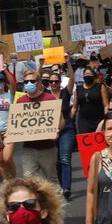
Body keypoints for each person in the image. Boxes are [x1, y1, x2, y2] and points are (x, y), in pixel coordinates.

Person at [14, 68, 61, 182]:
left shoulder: (49, 98)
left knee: (52, 181)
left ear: (39, 82)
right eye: (26, 82)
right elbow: (16, 122)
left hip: (48, 148)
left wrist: (57, 130)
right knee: (30, 180)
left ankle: (56, 200)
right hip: (28, 149)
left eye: (32, 81)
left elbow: (61, 120)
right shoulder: (20, 101)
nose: (29, 84)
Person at [49, 69, 77, 200]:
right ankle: (60, 185)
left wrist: (68, 63)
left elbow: (72, 78)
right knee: (56, 161)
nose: (53, 83)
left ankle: (66, 188)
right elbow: (37, 82)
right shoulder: (45, 95)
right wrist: (41, 65)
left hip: (66, 129)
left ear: (60, 82)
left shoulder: (65, 93)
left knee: (65, 158)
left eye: (56, 81)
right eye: (51, 81)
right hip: (50, 131)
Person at [73, 67, 112, 135]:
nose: (87, 75)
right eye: (85, 74)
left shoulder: (100, 87)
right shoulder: (78, 89)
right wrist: (69, 119)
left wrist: (106, 119)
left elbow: (106, 104)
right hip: (84, 120)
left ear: (94, 76)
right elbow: (74, 107)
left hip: (99, 119)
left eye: (90, 74)